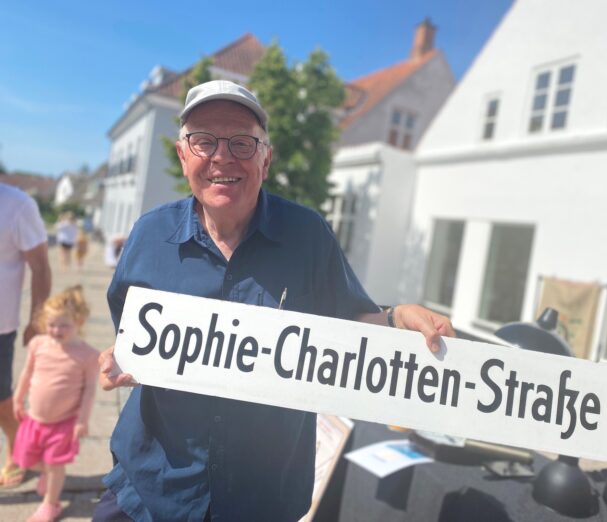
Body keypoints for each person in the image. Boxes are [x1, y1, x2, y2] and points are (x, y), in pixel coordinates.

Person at [96, 80, 455, 521]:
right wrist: (122, 357)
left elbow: (350, 321)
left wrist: (398, 317)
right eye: (204, 141)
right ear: (183, 155)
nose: (222, 156)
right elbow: (130, 331)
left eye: (242, 142)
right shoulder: (149, 235)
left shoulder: (308, 235)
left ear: (265, 159)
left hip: (261, 498)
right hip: (153, 488)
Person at [12, 286, 99, 522]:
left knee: (55, 464)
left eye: (64, 325)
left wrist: (82, 421)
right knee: (27, 460)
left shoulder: (87, 355)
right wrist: (18, 398)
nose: (56, 330)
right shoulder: (38, 344)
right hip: (34, 418)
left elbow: (90, 390)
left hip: (64, 423)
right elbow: (27, 373)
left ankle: (51, 503)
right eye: (51, 324)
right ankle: (48, 476)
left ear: (79, 322)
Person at [0, 182, 52, 487]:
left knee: (2, 403)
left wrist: (36, 320)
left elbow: (41, 266)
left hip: (0, 325)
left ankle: (17, 448)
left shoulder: (17, 205)